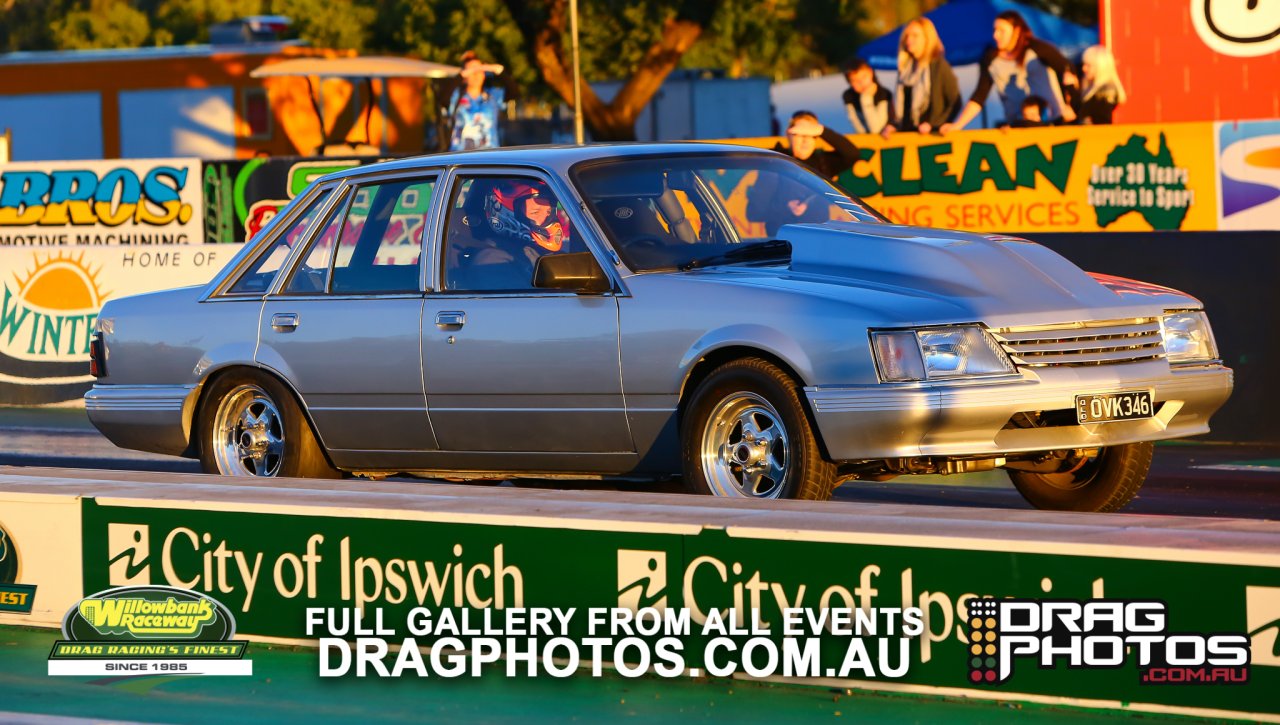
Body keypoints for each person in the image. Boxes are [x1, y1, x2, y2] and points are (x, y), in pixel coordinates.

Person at [941, 10, 1078, 133]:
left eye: (1001, 30)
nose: (995, 35)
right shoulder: (991, 59)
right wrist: (957, 125)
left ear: (1017, 31)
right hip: (1016, 128)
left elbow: (1068, 72)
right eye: (994, 30)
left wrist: (1071, 106)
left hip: (1051, 124)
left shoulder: (1038, 49)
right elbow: (979, 96)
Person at [886, 17, 960, 136]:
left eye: (915, 35)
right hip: (906, 136)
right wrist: (893, 125)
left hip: (930, 139)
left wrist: (935, 124)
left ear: (927, 38)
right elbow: (902, 108)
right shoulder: (905, 70)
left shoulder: (938, 65)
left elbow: (955, 102)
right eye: (907, 36)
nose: (909, 40)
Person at [772, 110, 860, 181]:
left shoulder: (824, 162)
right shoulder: (774, 159)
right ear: (788, 134)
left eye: (811, 135)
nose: (805, 140)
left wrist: (822, 130)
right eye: (800, 134)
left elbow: (852, 154)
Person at [448, 51, 507, 151]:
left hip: (489, 157)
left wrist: (491, 68)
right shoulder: (456, 96)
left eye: (479, 70)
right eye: (471, 71)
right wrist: (461, 75)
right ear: (464, 76)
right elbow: (443, 96)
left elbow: (514, 92)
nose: (476, 74)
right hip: (459, 158)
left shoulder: (492, 96)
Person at [842, 58, 896, 136]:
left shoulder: (884, 94)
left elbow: (875, 130)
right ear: (849, 82)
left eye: (864, 77)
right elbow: (859, 129)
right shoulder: (848, 96)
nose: (861, 83)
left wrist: (866, 98)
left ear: (871, 73)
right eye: (855, 80)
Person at [1076, 45, 1127, 125]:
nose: (1084, 68)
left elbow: (1101, 120)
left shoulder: (1106, 91)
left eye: (1088, 65)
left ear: (1100, 66)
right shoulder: (1092, 88)